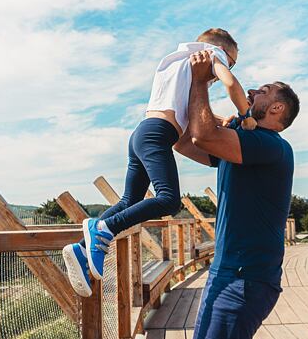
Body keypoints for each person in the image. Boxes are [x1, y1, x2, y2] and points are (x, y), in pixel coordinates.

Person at [62, 28, 256, 297]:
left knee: (129, 201)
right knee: (169, 200)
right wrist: (245, 115)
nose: (227, 65)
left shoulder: (174, 63)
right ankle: (102, 228)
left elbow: (189, 112)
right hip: (157, 135)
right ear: (219, 50)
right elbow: (232, 84)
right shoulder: (212, 54)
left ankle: (82, 249)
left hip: (142, 132)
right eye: (231, 60)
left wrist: (219, 119)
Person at [173, 49, 300, 339]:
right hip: (226, 273)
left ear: (277, 109)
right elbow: (185, 140)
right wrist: (182, 87)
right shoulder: (243, 144)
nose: (254, 91)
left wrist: (201, 81)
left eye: (264, 91)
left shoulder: (269, 145)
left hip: (246, 279)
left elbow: (202, 137)